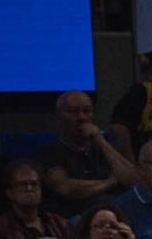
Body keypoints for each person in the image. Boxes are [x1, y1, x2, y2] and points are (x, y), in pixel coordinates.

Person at [41, 90, 138, 219]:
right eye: (74, 112)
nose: (82, 117)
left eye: (86, 111)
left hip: (115, 216)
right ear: (60, 118)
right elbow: (65, 187)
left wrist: (100, 140)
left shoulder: (105, 146)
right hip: (75, 218)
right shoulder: (52, 152)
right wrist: (110, 183)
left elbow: (134, 181)